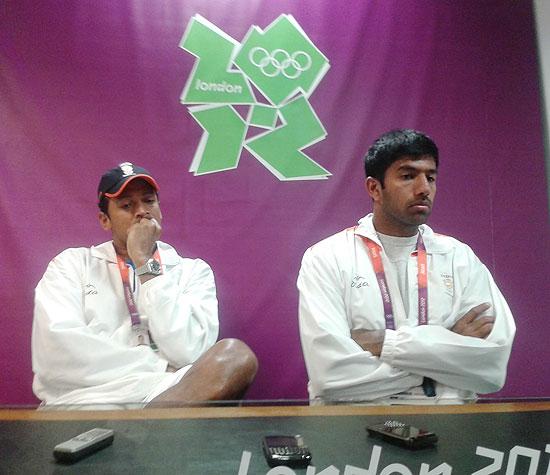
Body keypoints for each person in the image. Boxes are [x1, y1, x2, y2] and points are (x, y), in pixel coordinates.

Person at [297, 129, 516, 404]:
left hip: (453, 426)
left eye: (431, 177)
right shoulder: (327, 257)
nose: (424, 188)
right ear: (374, 188)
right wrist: (445, 353)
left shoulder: (460, 257)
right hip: (357, 428)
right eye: (408, 176)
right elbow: (331, 378)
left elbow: (491, 369)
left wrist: (385, 345)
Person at [32, 162, 258, 408]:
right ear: (104, 220)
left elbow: (188, 351)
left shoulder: (193, 271)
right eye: (127, 205)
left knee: (236, 357)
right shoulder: (71, 264)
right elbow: (57, 353)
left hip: (168, 393)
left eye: (149, 201)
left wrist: (145, 263)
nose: (142, 211)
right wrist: (156, 365)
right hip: (89, 398)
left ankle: (141, 432)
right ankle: (146, 435)